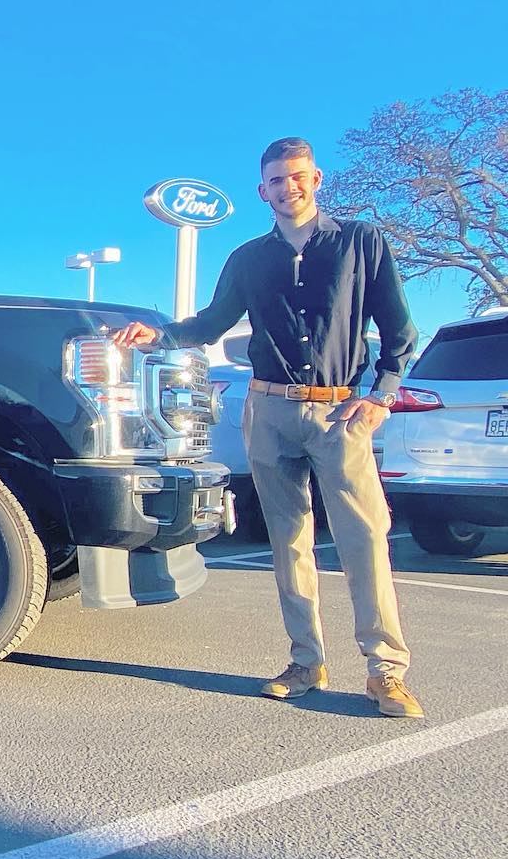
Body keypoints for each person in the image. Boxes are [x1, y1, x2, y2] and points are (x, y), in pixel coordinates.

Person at [113, 137, 422, 718]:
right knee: (289, 539)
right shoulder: (248, 258)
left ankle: (386, 670)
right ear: (263, 191)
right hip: (268, 409)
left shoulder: (361, 242)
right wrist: (161, 334)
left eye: (297, 176)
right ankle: (305, 661)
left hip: (339, 411)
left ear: (316, 179)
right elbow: (212, 322)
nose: (289, 188)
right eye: (277, 180)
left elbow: (399, 331)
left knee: (363, 539)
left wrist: (381, 395)